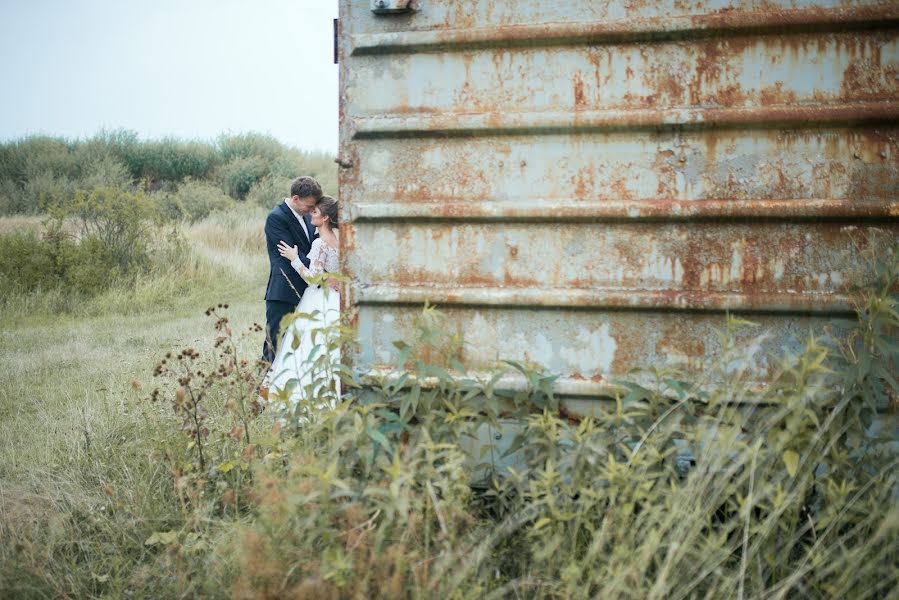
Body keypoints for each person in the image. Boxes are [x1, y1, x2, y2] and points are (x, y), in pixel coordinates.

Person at [266, 195, 341, 408]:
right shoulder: (338, 242)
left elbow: (313, 277)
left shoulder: (319, 243)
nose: (311, 214)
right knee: (329, 346)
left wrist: (294, 258)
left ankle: (302, 396)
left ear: (325, 218)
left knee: (307, 345)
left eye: (315, 212)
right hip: (335, 299)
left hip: (318, 298)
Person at [261, 176, 322, 368]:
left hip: (309, 291)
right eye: (308, 206)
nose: (311, 210)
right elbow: (290, 252)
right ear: (295, 198)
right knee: (274, 344)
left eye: (314, 208)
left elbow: (314, 250)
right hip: (284, 290)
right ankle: (258, 391)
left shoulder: (309, 218)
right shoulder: (276, 218)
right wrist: (317, 269)